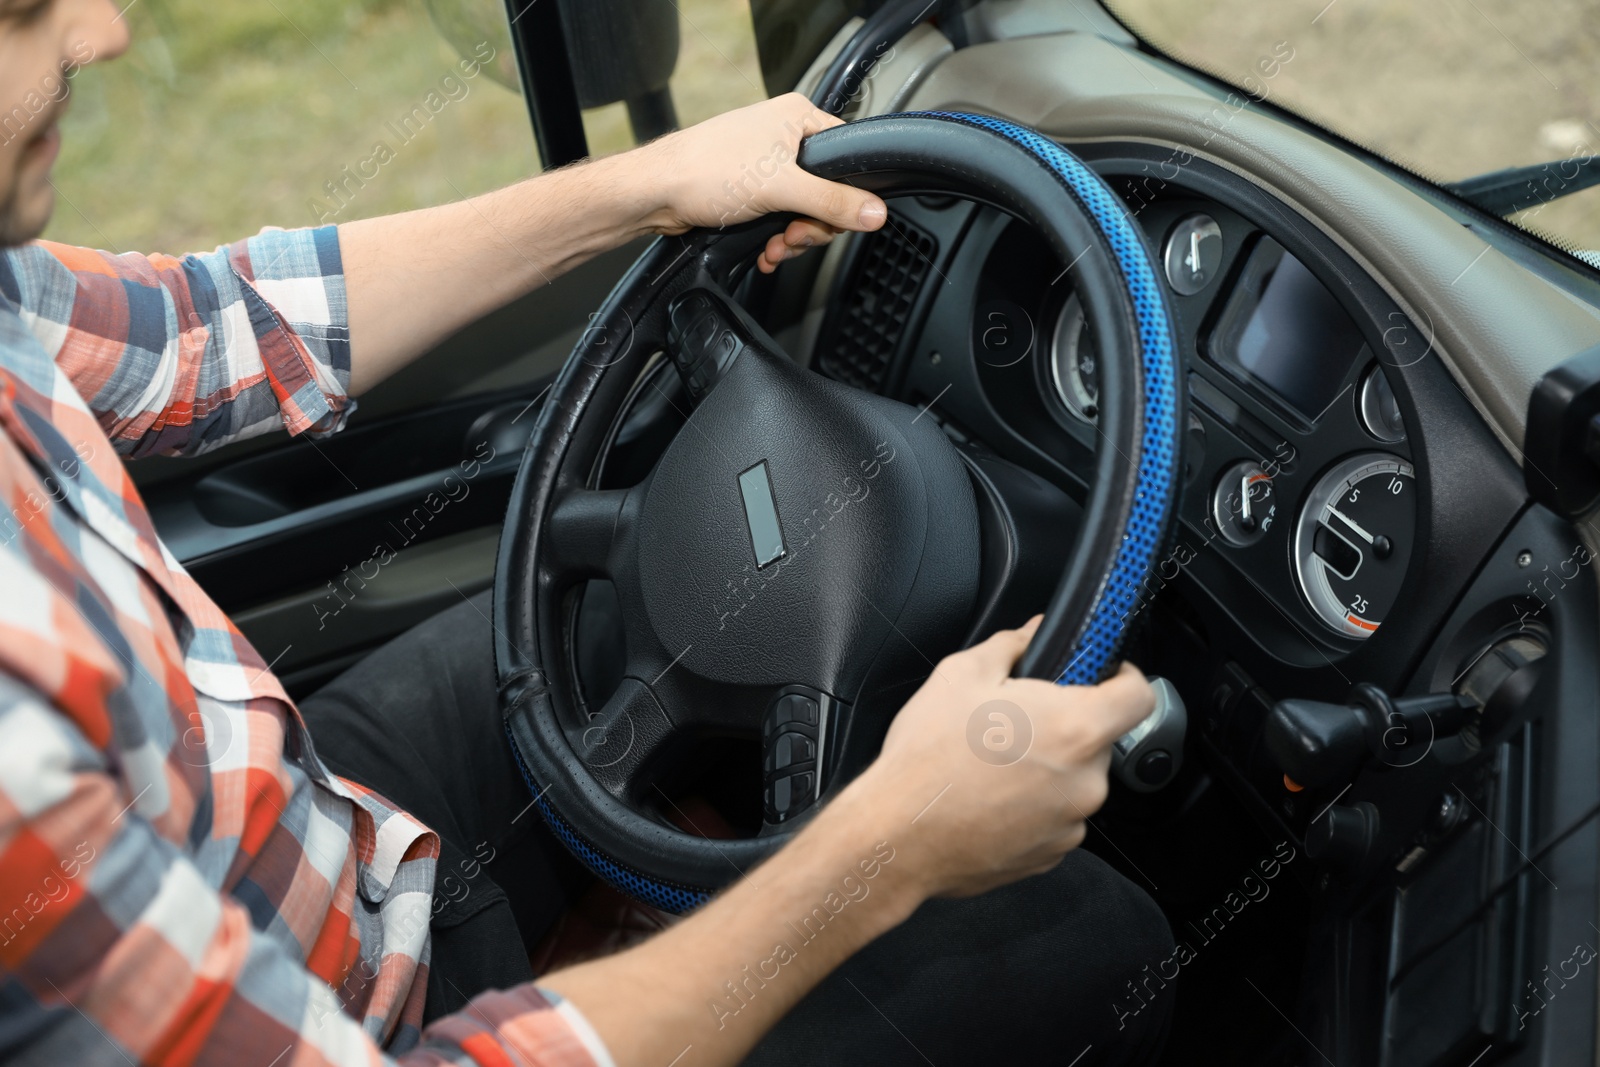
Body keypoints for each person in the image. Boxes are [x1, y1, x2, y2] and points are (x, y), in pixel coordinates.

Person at [0, 0, 1175, 1064]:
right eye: (19, 14)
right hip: (362, 1015)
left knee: (614, 612)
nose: (100, 31)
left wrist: (651, 184)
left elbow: (214, 328)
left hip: (307, 840)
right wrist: (886, 844)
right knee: (1101, 936)